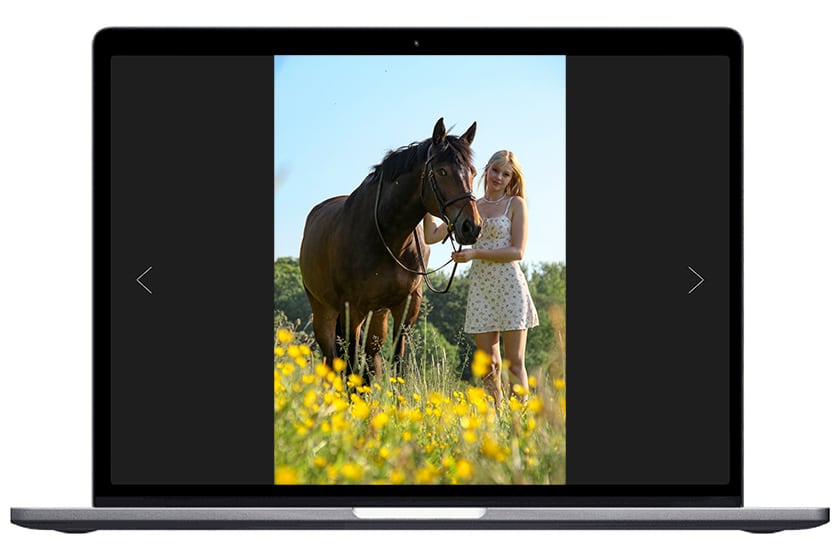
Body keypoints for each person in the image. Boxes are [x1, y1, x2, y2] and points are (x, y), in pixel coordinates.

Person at [424, 150, 539, 408]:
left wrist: (475, 253)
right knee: (488, 364)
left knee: (514, 362)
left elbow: (517, 251)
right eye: (495, 170)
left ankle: (518, 424)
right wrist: (426, 204)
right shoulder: (471, 206)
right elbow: (431, 236)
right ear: (486, 169)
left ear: (511, 178)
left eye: (505, 174)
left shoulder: (515, 204)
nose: (498, 177)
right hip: (481, 290)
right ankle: (496, 419)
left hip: (510, 288)